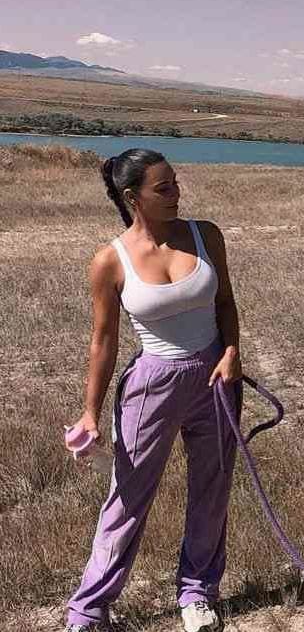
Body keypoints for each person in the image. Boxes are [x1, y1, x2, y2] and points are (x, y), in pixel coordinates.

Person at [64, 148, 242, 632]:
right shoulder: (110, 260)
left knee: (212, 490)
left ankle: (198, 594)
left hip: (216, 378)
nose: (176, 194)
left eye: (176, 183)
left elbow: (225, 302)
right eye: (162, 188)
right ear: (131, 197)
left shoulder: (206, 236)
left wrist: (231, 352)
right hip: (152, 386)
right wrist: (89, 413)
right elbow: (103, 341)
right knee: (128, 498)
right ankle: (88, 611)